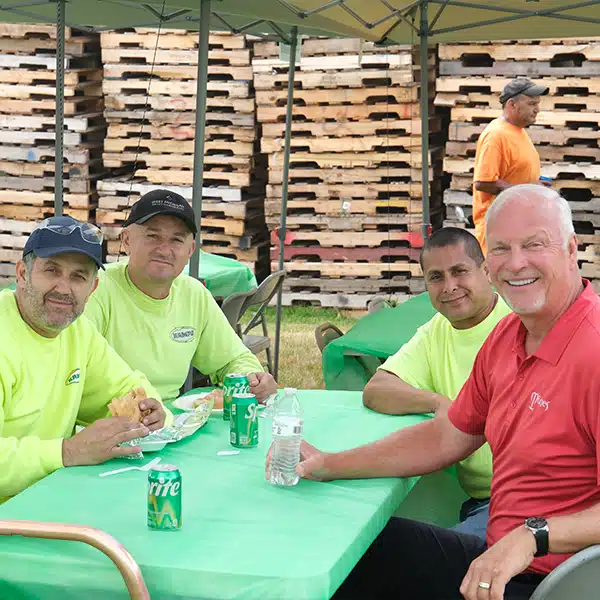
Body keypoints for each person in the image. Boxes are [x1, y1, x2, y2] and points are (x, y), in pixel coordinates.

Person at [269, 185, 600, 600]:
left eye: (534, 244)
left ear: (572, 249)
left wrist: (533, 535)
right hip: (498, 562)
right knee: (346, 551)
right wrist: (330, 463)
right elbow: (449, 435)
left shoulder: (593, 349)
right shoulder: (507, 336)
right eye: (500, 249)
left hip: (561, 583)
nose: (516, 264)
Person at [0, 216, 168, 503]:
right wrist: (67, 452)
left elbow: (127, 388)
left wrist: (151, 411)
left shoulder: (78, 332)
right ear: (22, 273)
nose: (64, 289)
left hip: (49, 503)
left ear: (92, 288)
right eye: (52, 270)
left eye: (78, 276)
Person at [363, 227, 511, 539]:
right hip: (479, 501)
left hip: (523, 503)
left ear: (486, 271)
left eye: (459, 272)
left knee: (418, 559)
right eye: (436, 277)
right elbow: (377, 390)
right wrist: (438, 403)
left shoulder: (518, 322)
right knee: (375, 540)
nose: (450, 286)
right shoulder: (437, 331)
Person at [84, 189, 277, 403]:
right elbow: (80, 374)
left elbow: (232, 359)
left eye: (176, 240)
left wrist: (252, 377)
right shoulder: (95, 289)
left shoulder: (193, 294)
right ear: (126, 240)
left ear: (190, 250)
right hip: (108, 421)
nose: (164, 250)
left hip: (172, 424)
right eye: (152, 236)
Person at [472, 77, 549, 254]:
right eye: (531, 104)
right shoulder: (496, 136)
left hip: (516, 228)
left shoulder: (518, 131)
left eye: (537, 103)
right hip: (499, 232)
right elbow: (483, 182)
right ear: (512, 104)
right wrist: (527, 189)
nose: (537, 109)